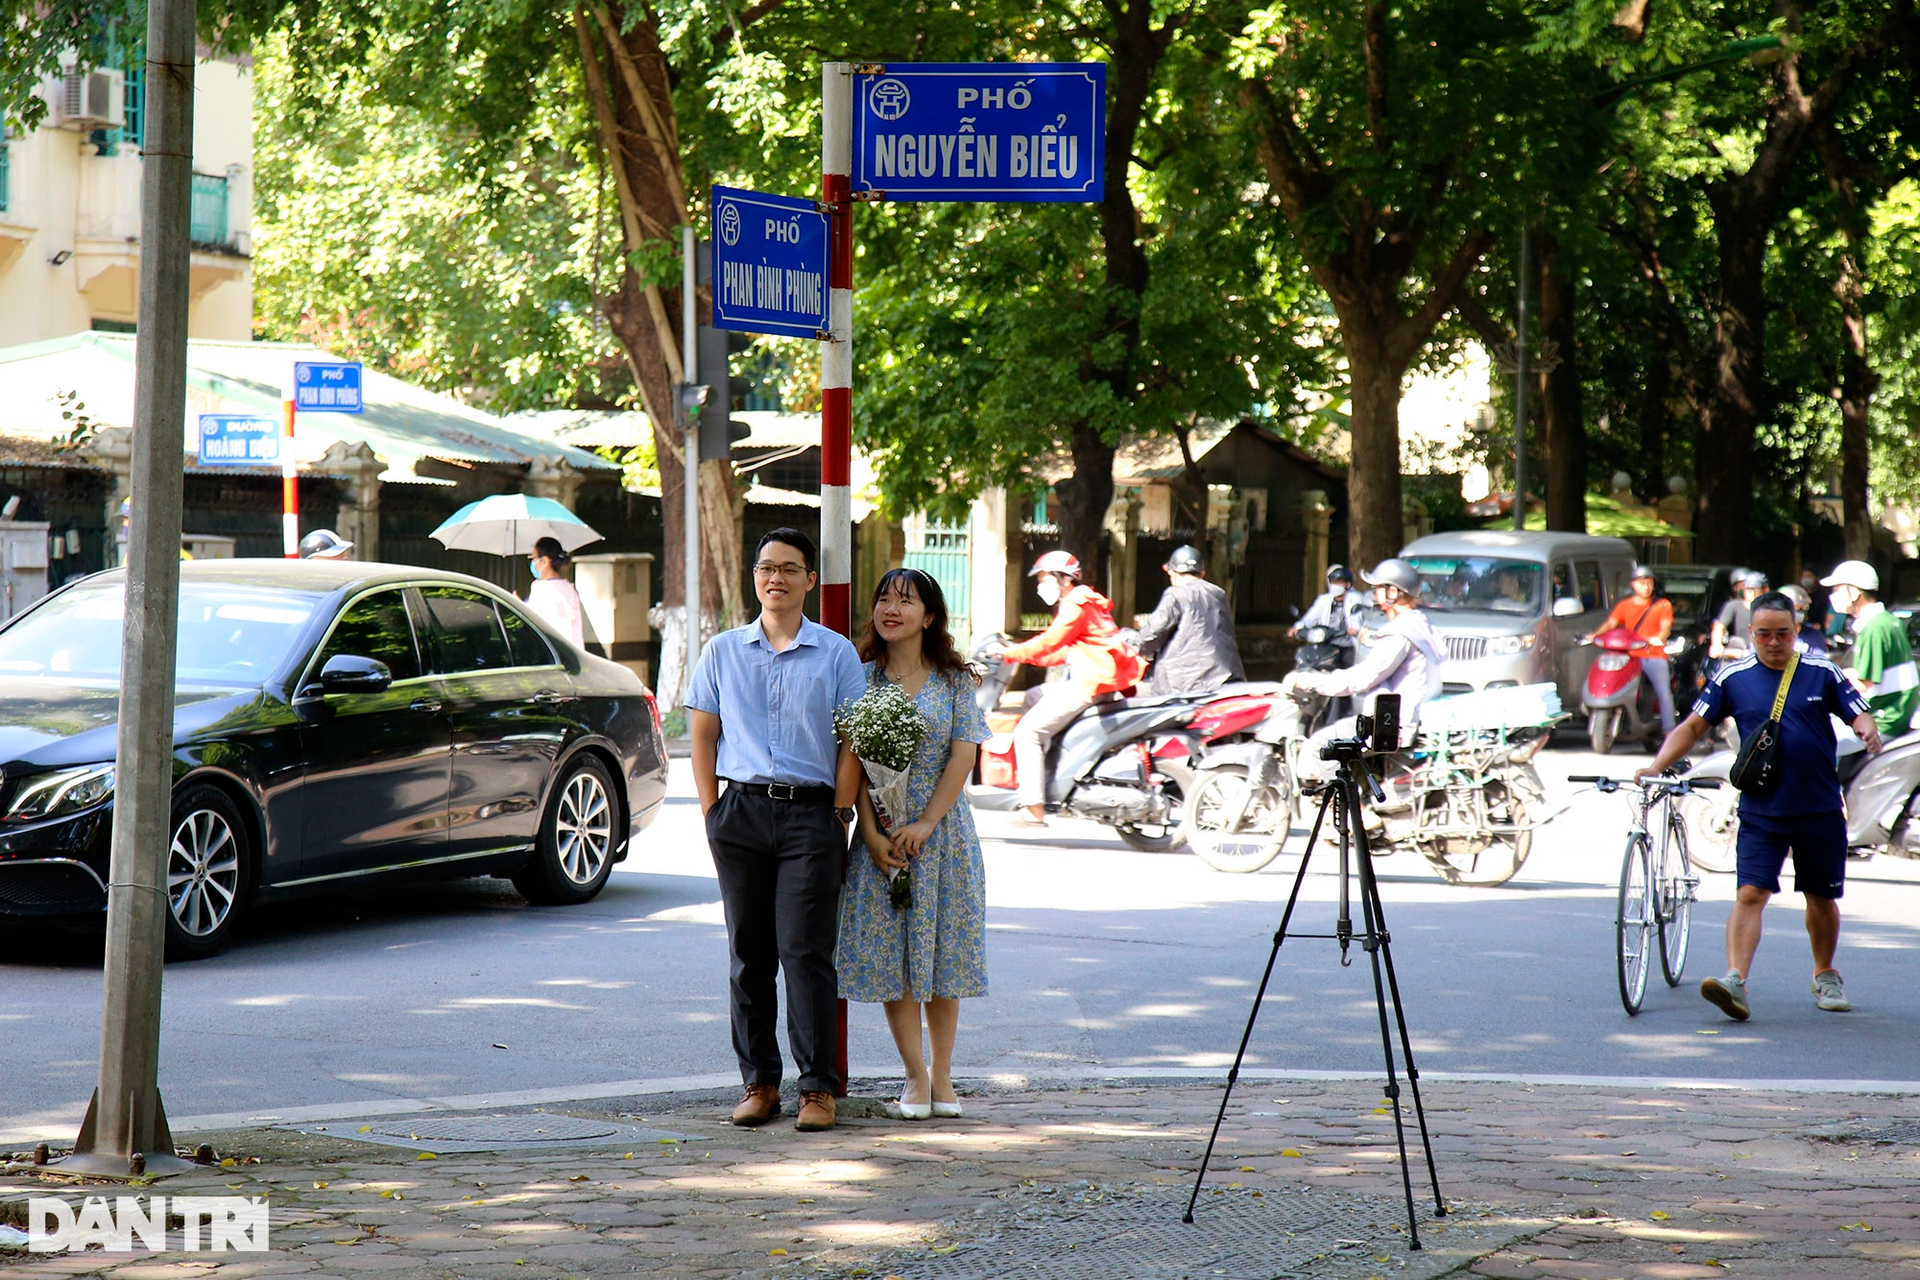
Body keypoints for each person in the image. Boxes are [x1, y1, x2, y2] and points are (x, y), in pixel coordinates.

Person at [688, 527, 866, 1133]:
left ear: (810, 580)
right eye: (767, 567)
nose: (776, 578)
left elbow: (852, 740)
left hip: (811, 815)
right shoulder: (722, 651)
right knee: (748, 953)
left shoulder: (836, 653)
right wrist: (712, 811)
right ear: (754, 576)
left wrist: (840, 812)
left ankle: (817, 1088)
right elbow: (704, 735)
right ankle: (760, 1083)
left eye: (790, 569)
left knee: (806, 951)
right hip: (739, 813)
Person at [1637, 591, 1879, 1020]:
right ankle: (1735, 980)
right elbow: (1693, 726)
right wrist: (1656, 764)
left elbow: (1857, 711)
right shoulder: (1733, 677)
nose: (1773, 642)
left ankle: (1825, 973)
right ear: (1750, 633)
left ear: (1796, 631)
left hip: (1818, 807)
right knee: (1751, 892)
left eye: (1782, 634)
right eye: (1763, 634)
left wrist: (1866, 730)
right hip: (1762, 809)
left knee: (1820, 897)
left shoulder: (1821, 672)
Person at [838, 568, 990, 1120]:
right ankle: (915, 1077)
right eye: (883, 598)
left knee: (943, 958)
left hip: (945, 837)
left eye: (905, 600)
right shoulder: (860, 679)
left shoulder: (953, 682)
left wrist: (925, 822)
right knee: (892, 962)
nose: (890, 608)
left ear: (929, 617)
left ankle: (945, 1076)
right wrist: (873, 835)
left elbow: (964, 755)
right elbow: (850, 761)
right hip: (881, 836)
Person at [991, 551, 1145, 828]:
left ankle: (1033, 808)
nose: (1040, 584)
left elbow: (1051, 642)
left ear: (1063, 579)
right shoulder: (1086, 601)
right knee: (1032, 696)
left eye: (1044, 578)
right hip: (1095, 679)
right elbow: (1064, 652)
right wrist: (1021, 654)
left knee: (1028, 731)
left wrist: (1011, 653)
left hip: (1088, 684)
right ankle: (1048, 774)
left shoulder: (1076, 604)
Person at [1271, 558, 1444, 780]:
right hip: (1411, 716)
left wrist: (1311, 681)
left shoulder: (1400, 633)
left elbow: (1362, 678)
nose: (1374, 595)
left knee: (1320, 746)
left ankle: (1349, 811)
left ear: (1393, 591)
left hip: (1393, 725)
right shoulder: (1422, 623)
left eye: (1378, 588)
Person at [1823, 559, 1918, 737]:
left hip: (1883, 720)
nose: (1833, 596)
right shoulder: (1885, 620)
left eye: (1837, 590)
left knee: (1817, 741)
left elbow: (1863, 683)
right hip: (1895, 713)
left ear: (1854, 592)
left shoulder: (1875, 627)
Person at [1135, 544, 1245, 696]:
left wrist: (1131, 643)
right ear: (1202, 573)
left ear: (1173, 573)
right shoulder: (1219, 594)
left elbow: (1151, 635)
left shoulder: (1175, 594)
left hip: (1188, 685)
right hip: (1227, 678)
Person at [1583, 564, 1676, 733]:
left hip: (1652, 654)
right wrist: (1595, 635)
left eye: (1649, 583)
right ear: (1633, 584)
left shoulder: (1662, 605)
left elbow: (1665, 627)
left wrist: (1658, 639)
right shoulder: (1624, 605)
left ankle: (1669, 730)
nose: (1646, 587)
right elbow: (1611, 623)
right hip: (1629, 654)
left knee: (1663, 691)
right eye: (1642, 583)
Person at [523, 537, 585, 648]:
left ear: (545, 561)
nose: (532, 563)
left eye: (533, 558)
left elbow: (533, 621)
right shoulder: (568, 588)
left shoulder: (542, 590)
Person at [1710, 570, 1766, 662]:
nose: (1752, 593)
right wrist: (1716, 645)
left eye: (1755, 589)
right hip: (1738, 654)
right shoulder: (1733, 606)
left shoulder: (1769, 609)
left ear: (1764, 590)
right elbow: (1719, 627)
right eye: (1748, 589)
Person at [1781, 584, 1828, 655]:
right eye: (1797, 607)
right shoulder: (1770, 636)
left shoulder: (1814, 636)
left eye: (1804, 607)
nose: (1801, 611)